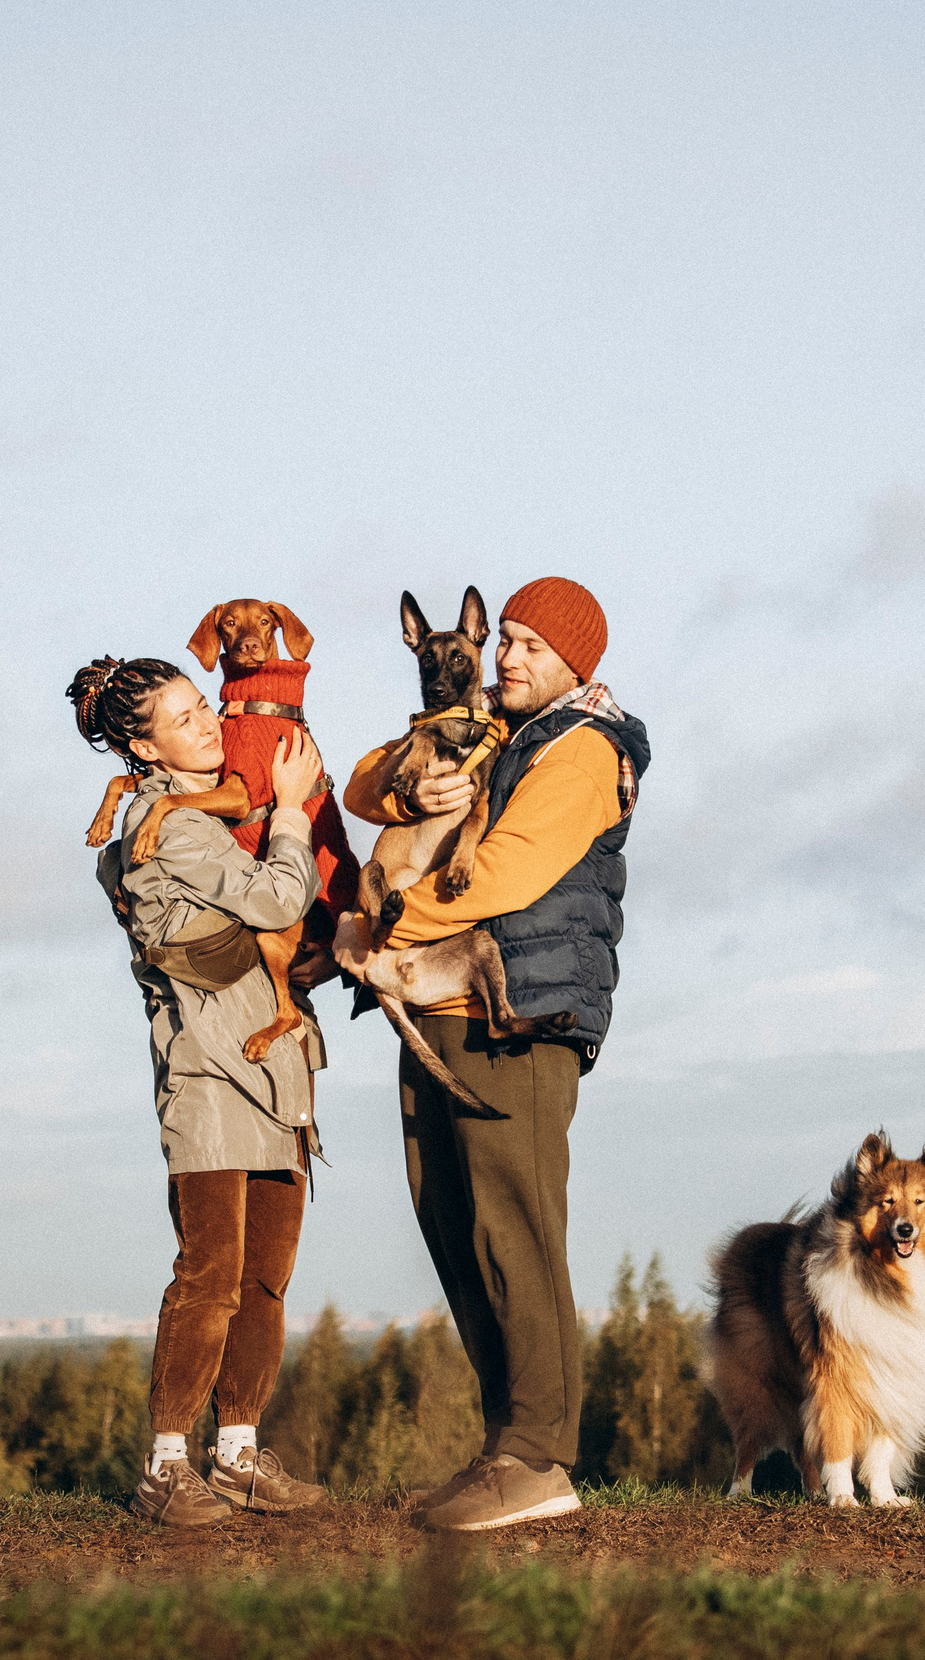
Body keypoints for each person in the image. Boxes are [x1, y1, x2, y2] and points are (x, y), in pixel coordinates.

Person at [342, 576, 649, 1531]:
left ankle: (540, 1458)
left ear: (573, 663)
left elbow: (507, 872)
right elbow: (361, 782)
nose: (507, 657)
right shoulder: (499, 734)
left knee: (514, 1231)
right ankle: (504, 1447)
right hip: (439, 1002)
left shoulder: (583, 748)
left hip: (517, 1018)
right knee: (456, 1226)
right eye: (504, 638)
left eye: (527, 645)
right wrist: (407, 784)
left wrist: (380, 930)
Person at [70, 655, 334, 1528]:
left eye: (202, 707)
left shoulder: (206, 818)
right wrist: (290, 809)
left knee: (264, 1281)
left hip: (274, 1072)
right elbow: (278, 898)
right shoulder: (170, 827)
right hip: (210, 1077)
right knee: (211, 1277)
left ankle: (238, 1457)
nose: (208, 724)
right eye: (182, 719)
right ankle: (164, 1467)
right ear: (144, 748)